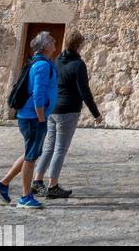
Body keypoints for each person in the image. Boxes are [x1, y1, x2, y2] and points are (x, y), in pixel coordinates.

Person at [0, 30, 58, 209]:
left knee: (31, 153)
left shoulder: (39, 63)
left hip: (31, 117)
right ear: (44, 47)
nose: (54, 41)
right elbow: (38, 94)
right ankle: (25, 197)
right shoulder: (42, 66)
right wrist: (41, 118)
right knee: (31, 158)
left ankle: (2, 185)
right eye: (51, 40)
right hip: (33, 118)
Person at [32, 29, 102, 199]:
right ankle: (53, 185)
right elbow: (84, 91)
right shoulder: (78, 65)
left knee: (49, 147)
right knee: (60, 149)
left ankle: (37, 181)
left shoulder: (56, 61)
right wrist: (96, 114)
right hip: (69, 110)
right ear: (79, 45)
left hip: (53, 109)